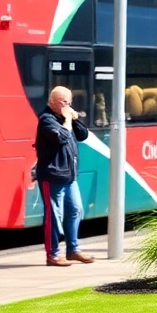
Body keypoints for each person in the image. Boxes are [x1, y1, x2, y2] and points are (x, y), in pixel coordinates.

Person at [34, 86, 94, 267]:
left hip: (69, 176)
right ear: (52, 102)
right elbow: (62, 138)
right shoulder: (47, 119)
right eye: (63, 102)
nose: (67, 105)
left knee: (75, 210)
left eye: (69, 102)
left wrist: (74, 120)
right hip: (52, 176)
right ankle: (52, 254)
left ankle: (73, 250)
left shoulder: (64, 118)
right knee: (53, 215)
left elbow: (83, 135)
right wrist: (68, 119)